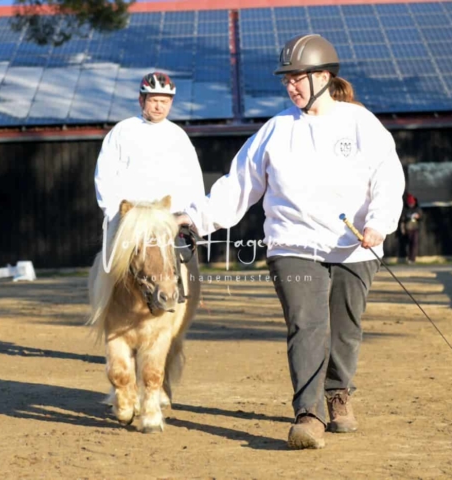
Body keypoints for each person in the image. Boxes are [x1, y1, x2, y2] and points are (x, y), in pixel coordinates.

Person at [177, 34, 405, 449]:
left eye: (298, 78)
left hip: (355, 246)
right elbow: (238, 185)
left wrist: (379, 222)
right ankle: (309, 413)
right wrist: (194, 219)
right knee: (306, 325)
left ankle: (338, 394)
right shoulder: (276, 130)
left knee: (345, 329)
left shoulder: (361, 123)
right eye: (287, 80)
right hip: (292, 244)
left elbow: (387, 178)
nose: (291, 86)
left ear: (323, 76)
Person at [94, 71, 205, 299]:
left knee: (185, 265)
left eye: (164, 102)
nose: (158, 107)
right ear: (141, 100)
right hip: (131, 219)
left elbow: (193, 180)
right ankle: (105, 305)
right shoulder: (121, 132)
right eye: (154, 100)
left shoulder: (178, 137)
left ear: (171, 103)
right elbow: (105, 176)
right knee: (108, 267)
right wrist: (117, 216)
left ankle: (176, 308)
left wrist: (190, 214)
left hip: (167, 220)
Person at [399, 193, 421, 264]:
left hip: (415, 228)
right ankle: (408, 258)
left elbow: (421, 216)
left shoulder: (417, 208)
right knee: (408, 244)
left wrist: (418, 216)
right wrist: (403, 229)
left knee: (414, 243)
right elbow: (402, 219)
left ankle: (412, 259)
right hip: (408, 229)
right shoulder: (405, 210)